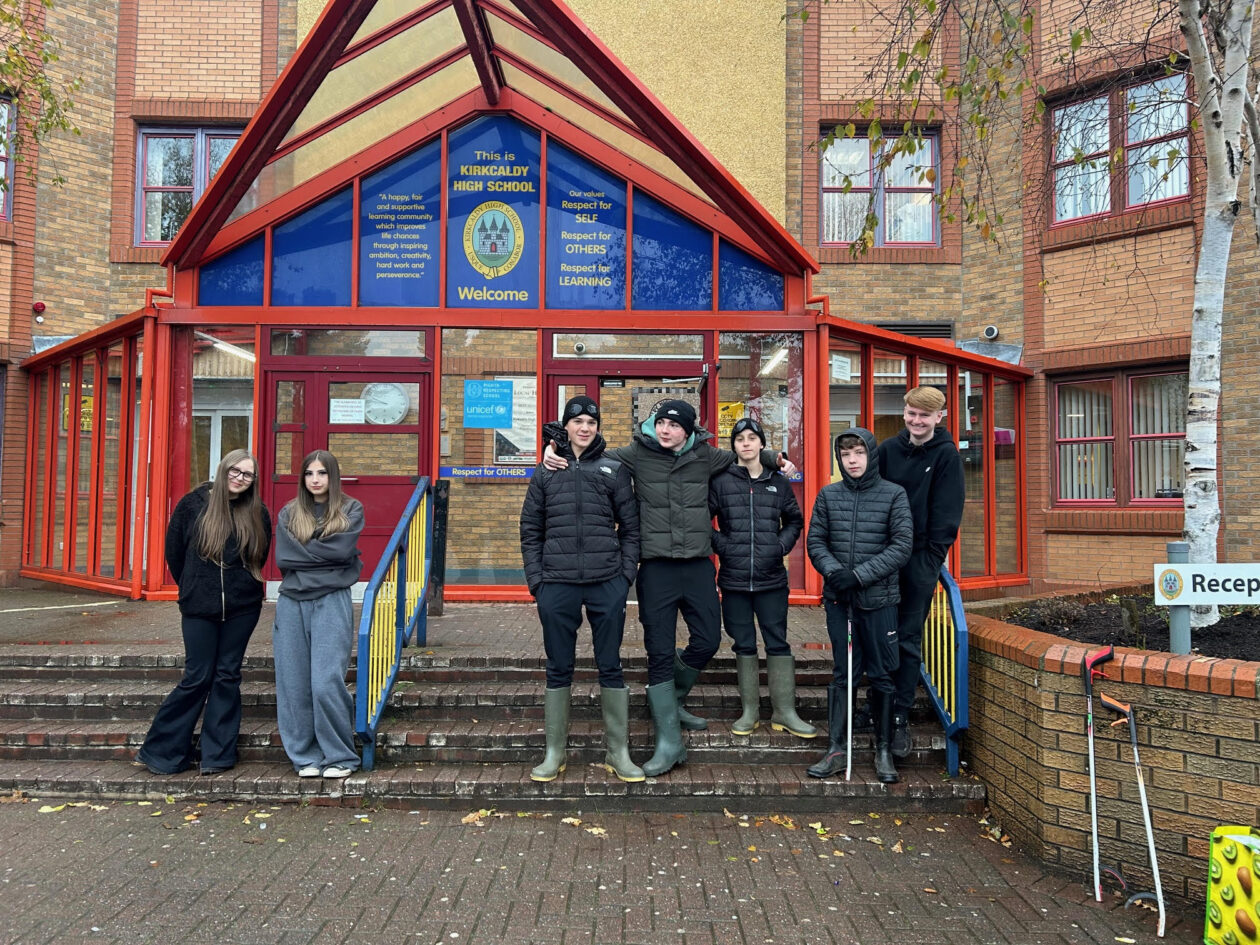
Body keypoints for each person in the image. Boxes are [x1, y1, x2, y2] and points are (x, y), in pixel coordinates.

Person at [543, 398, 792, 777]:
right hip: (655, 567)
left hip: (696, 565)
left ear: (688, 431)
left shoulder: (708, 457)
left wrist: (776, 457)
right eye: (660, 423)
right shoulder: (635, 454)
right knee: (658, 649)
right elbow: (589, 449)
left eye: (674, 426)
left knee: (708, 639)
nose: (665, 431)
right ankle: (668, 741)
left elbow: (745, 453)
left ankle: (671, 701)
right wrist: (553, 446)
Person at [519, 396, 643, 783]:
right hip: (557, 583)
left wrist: (624, 577)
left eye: (591, 421)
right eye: (577, 421)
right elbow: (530, 530)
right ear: (566, 426)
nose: (585, 428)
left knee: (611, 664)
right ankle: (555, 751)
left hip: (606, 581)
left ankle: (617, 751)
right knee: (559, 666)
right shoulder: (546, 471)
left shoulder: (614, 468)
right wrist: (537, 582)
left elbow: (632, 528)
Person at [137, 449, 271, 776]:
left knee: (227, 676)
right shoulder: (193, 505)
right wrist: (194, 586)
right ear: (223, 469)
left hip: (242, 608)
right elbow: (175, 554)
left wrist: (242, 585)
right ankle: (163, 753)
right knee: (197, 677)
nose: (240, 478)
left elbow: (260, 554)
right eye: (235, 471)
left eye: (247, 474)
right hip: (199, 606)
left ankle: (217, 756)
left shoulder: (257, 512)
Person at [806, 428, 912, 783]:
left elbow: (901, 546)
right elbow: (816, 540)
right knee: (843, 673)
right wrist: (836, 573)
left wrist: (860, 575)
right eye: (846, 454)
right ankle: (837, 748)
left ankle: (883, 750)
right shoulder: (828, 495)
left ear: (870, 455)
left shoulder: (894, 495)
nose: (852, 460)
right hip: (840, 601)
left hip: (879, 601)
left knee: (882, 674)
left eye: (858, 453)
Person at [709, 416, 815, 739]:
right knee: (743, 644)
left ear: (761, 444)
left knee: (777, 642)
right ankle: (750, 712)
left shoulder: (777, 481)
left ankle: (784, 711)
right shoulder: (721, 480)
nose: (745, 443)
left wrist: (779, 545)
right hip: (734, 580)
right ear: (734, 446)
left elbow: (794, 520)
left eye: (751, 438)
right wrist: (724, 546)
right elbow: (703, 520)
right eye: (739, 439)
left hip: (771, 580)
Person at [875, 386, 965, 759]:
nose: (915, 421)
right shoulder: (887, 450)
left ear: (939, 417)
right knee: (878, 636)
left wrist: (930, 559)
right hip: (881, 560)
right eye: (911, 413)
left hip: (918, 562)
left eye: (923, 416)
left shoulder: (946, 456)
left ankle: (899, 717)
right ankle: (875, 706)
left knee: (908, 639)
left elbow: (947, 515)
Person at [273, 450, 364, 779]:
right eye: (310, 473)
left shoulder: (351, 509)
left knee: (326, 681)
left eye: (322, 473)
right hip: (292, 602)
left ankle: (340, 756)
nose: (315, 479)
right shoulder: (288, 512)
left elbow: (342, 551)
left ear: (332, 477)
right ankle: (305, 757)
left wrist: (306, 551)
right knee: (293, 682)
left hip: (331, 600)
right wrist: (324, 556)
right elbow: (285, 556)